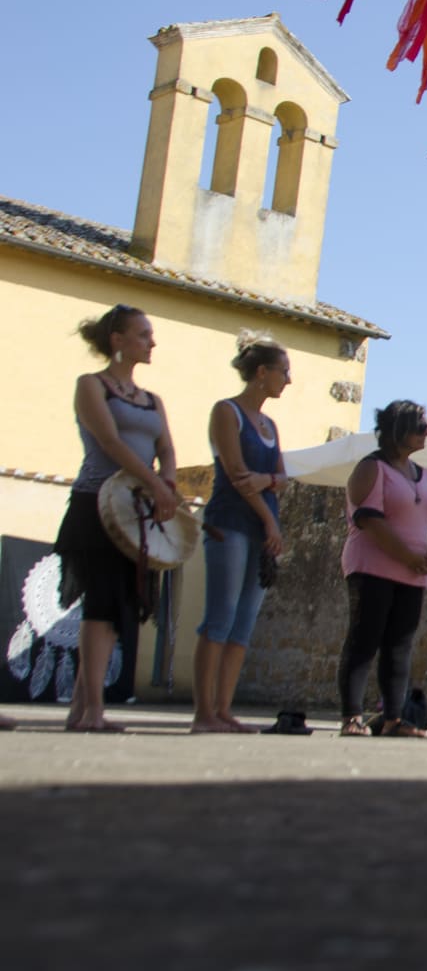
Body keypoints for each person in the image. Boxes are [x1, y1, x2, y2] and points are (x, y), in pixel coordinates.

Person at [56, 304, 177, 732]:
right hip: (96, 504)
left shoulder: (152, 400)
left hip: (136, 513)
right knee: (100, 605)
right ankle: (93, 710)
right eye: (143, 334)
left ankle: (80, 710)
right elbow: (109, 441)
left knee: (116, 609)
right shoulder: (91, 385)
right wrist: (155, 484)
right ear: (117, 340)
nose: (152, 342)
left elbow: (166, 448)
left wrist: (169, 482)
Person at [191, 335, 291, 734]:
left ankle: (224, 710)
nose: (288, 380)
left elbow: (280, 477)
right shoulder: (226, 412)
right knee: (220, 617)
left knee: (243, 623)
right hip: (229, 522)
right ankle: (204, 714)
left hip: (262, 529)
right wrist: (269, 518)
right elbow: (235, 474)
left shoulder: (271, 425)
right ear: (262, 372)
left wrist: (265, 482)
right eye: (283, 372)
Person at [338, 400, 427, 738]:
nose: (426, 432)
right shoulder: (372, 469)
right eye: (420, 426)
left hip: (414, 573)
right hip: (372, 567)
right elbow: (369, 519)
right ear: (399, 430)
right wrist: (408, 557)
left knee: (400, 646)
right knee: (364, 640)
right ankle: (352, 717)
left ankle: (393, 719)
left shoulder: (426, 477)